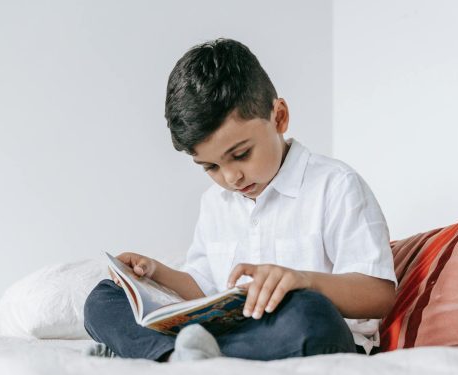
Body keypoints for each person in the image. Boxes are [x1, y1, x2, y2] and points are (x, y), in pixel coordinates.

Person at [83, 38, 397, 362]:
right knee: (101, 299)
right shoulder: (215, 203)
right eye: (211, 167)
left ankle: (159, 353)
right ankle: (180, 356)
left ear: (279, 117)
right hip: (233, 335)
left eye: (241, 154)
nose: (231, 177)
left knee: (309, 313)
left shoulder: (336, 185)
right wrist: (155, 274)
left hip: (304, 331)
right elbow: (204, 290)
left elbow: (380, 294)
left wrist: (304, 281)